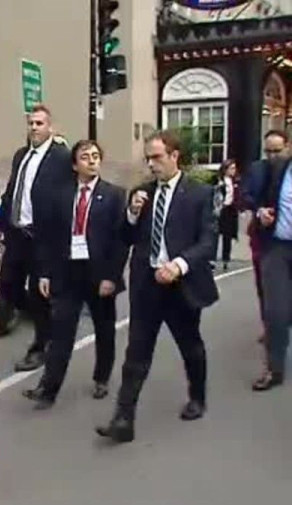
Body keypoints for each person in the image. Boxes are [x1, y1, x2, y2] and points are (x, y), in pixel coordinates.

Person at [96, 130, 218, 444]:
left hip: (181, 284)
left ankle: (197, 396)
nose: (151, 164)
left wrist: (179, 264)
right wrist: (132, 214)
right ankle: (123, 418)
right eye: (148, 158)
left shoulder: (199, 194)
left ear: (175, 156)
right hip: (147, 284)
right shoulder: (142, 192)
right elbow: (125, 237)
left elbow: (208, 242)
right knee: (136, 352)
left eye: (157, 157)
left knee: (190, 345)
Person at [23, 140, 128, 409]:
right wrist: (45, 273)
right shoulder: (61, 195)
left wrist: (111, 276)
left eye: (95, 156)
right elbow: (49, 237)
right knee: (61, 331)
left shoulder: (114, 195)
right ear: (74, 165)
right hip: (67, 271)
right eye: (85, 157)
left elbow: (120, 241)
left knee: (104, 328)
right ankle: (48, 389)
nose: (91, 161)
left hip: (99, 273)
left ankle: (102, 377)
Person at [0, 104, 73, 372]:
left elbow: (67, 197)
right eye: (31, 123)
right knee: (7, 284)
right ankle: (40, 320)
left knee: (40, 293)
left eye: (39, 123)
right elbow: (12, 190)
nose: (34, 128)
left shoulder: (61, 157)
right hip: (17, 233)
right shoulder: (21, 155)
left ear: (50, 127)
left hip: (42, 237)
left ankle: (42, 346)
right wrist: (2, 224)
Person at [242, 130, 290, 344]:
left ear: (287, 147)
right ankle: (270, 326)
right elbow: (245, 195)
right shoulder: (257, 169)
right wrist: (259, 209)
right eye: (268, 151)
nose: (272, 156)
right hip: (264, 238)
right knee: (266, 286)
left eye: (277, 151)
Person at [250, 147, 292, 392]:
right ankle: (274, 370)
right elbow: (255, 198)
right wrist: (261, 212)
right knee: (276, 311)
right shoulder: (277, 169)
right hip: (277, 247)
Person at [215, 159, 240, 271]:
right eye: (231, 168)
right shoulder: (219, 181)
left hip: (230, 210)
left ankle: (226, 259)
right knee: (215, 234)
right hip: (221, 210)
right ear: (225, 169)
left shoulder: (235, 181)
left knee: (228, 236)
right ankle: (212, 259)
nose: (233, 171)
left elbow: (238, 195)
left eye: (234, 168)